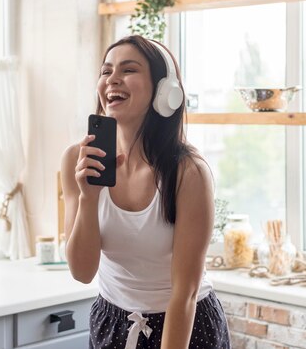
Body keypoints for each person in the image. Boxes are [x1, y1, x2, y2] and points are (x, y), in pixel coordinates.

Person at [61, 35, 231, 349]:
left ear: (164, 91)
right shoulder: (77, 159)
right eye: (106, 71)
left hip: (184, 325)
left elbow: (185, 294)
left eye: (128, 70)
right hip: (112, 321)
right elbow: (82, 271)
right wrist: (89, 197)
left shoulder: (188, 173)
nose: (112, 79)